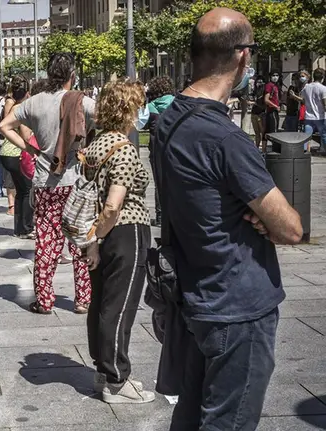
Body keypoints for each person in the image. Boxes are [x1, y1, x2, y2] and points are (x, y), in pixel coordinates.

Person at [153, 8, 303, 429]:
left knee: (191, 414)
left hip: (196, 295)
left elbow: (201, 196)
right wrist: (260, 214)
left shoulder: (168, 121)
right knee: (229, 422)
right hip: (237, 304)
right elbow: (290, 228)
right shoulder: (225, 138)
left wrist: (245, 209)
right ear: (242, 56)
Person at [0, 53, 94, 315]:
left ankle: (44, 299)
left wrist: (29, 148)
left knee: (46, 242)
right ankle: (83, 299)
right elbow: (106, 119)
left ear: (49, 75)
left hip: (45, 182)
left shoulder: (35, 103)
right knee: (79, 242)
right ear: (72, 75)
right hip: (74, 182)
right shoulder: (80, 101)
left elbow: (4, 126)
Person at [83, 80, 155, 404]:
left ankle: (102, 370)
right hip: (126, 231)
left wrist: (94, 242)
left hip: (102, 235)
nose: (142, 112)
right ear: (128, 110)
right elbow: (113, 204)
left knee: (101, 302)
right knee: (120, 305)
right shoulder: (123, 147)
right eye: (138, 106)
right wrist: (100, 235)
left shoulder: (97, 143)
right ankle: (117, 380)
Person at [0, 75, 34, 239]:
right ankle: (26, 228)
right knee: (27, 191)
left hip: (6, 152)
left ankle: (19, 228)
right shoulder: (23, 109)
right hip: (16, 154)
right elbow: (26, 135)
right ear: (27, 92)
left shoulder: (12, 107)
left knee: (20, 191)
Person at [145, 76, 175, 227]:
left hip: (156, 147)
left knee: (159, 181)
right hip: (175, 147)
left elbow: (141, 124)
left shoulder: (150, 107)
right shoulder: (177, 103)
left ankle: (160, 216)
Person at [302, 68, 326, 139]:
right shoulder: (323, 88)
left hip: (308, 117)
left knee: (306, 138)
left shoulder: (306, 87)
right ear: (323, 77)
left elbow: (303, 100)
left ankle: (305, 150)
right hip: (320, 117)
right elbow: (325, 104)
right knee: (324, 136)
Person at [250, 76, 267, 148]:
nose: (259, 84)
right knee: (256, 132)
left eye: (261, 82)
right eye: (257, 82)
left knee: (262, 132)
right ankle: (256, 147)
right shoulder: (255, 91)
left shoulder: (264, 92)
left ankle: (263, 148)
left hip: (261, 114)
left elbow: (264, 105)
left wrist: (255, 103)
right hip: (254, 113)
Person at [264, 71, 281, 139]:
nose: (275, 77)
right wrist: (276, 106)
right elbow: (266, 100)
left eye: (277, 75)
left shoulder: (275, 86)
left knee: (268, 131)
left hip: (273, 111)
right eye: (273, 75)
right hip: (272, 111)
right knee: (274, 132)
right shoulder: (269, 85)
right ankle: (275, 148)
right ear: (270, 77)